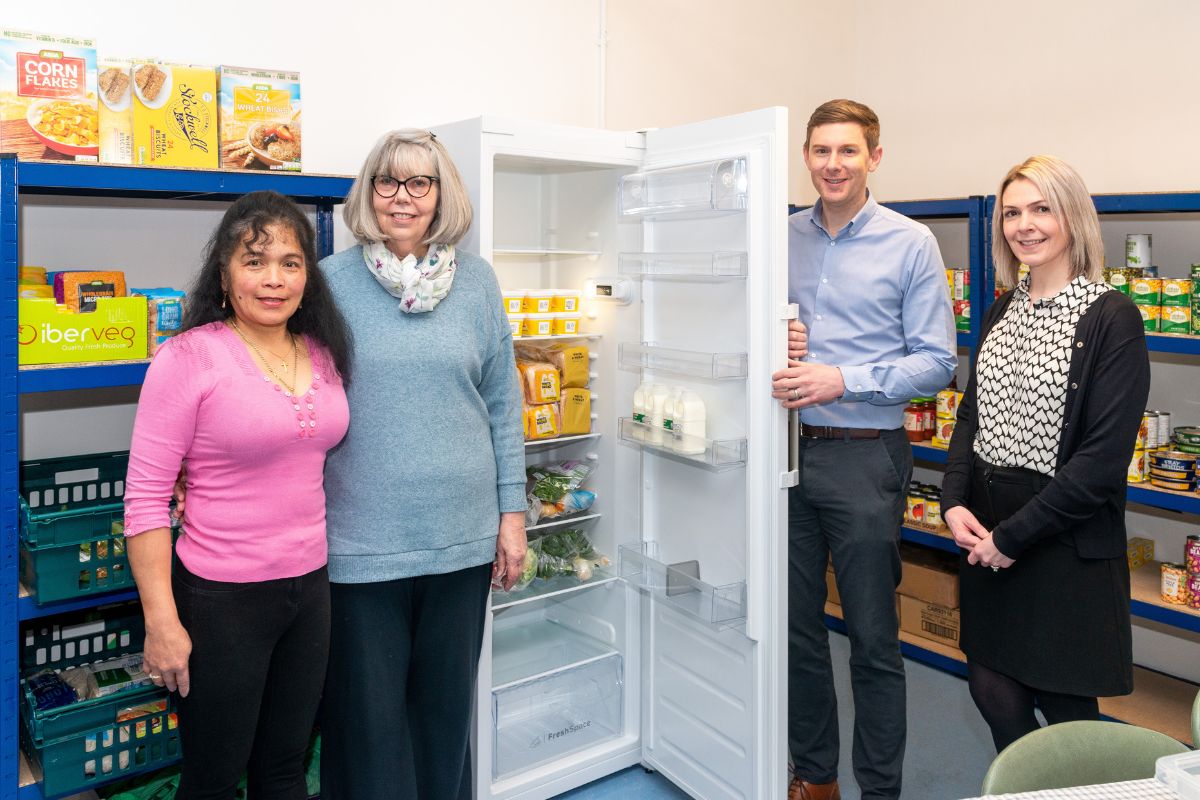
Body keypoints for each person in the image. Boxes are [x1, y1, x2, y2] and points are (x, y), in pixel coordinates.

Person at [123, 190, 353, 800]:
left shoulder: (324, 352)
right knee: (214, 779)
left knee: (284, 768)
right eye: (255, 261)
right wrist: (161, 619)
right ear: (224, 274)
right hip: (220, 599)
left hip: (309, 592)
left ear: (309, 273)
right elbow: (145, 498)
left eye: (290, 261)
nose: (273, 279)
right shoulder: (188, 358)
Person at [318, 129, 527, 800]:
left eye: (420, 183)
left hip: (462, 542)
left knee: (443, 722)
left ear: (442, 195)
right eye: (387, 181)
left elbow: (502, 405)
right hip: (360, 542)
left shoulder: (478, 283)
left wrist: (512, 516)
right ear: (368, 190)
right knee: (367, 728)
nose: (401, 198)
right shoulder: (329, 284)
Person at [772, 99, 957, 800]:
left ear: (875, 158)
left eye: (848, 151)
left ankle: (880, 790)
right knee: (794, 631)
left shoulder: (910, 243)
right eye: (821, 150)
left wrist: (842, 378)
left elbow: (937, 362)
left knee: (875, 639)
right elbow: (750, 329)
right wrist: (772, 340)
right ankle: (814, 776)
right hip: (787, 454)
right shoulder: (782, 237)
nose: (833, 164)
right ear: (807, 156)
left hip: (865, 454)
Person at [941, 155, 1148, 754]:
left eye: (1041, 209)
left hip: (1060, 536)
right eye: (1011, 212)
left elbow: (1100, 464)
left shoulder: (1113, 318)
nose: (1023, 225)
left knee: (1065, 708)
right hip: (987, 526)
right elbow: (970, 415)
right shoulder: (1004, 308)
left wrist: (1013, 539)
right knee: (989, 682)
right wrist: (953, 500)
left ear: (1072, 217)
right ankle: (1025, 787)